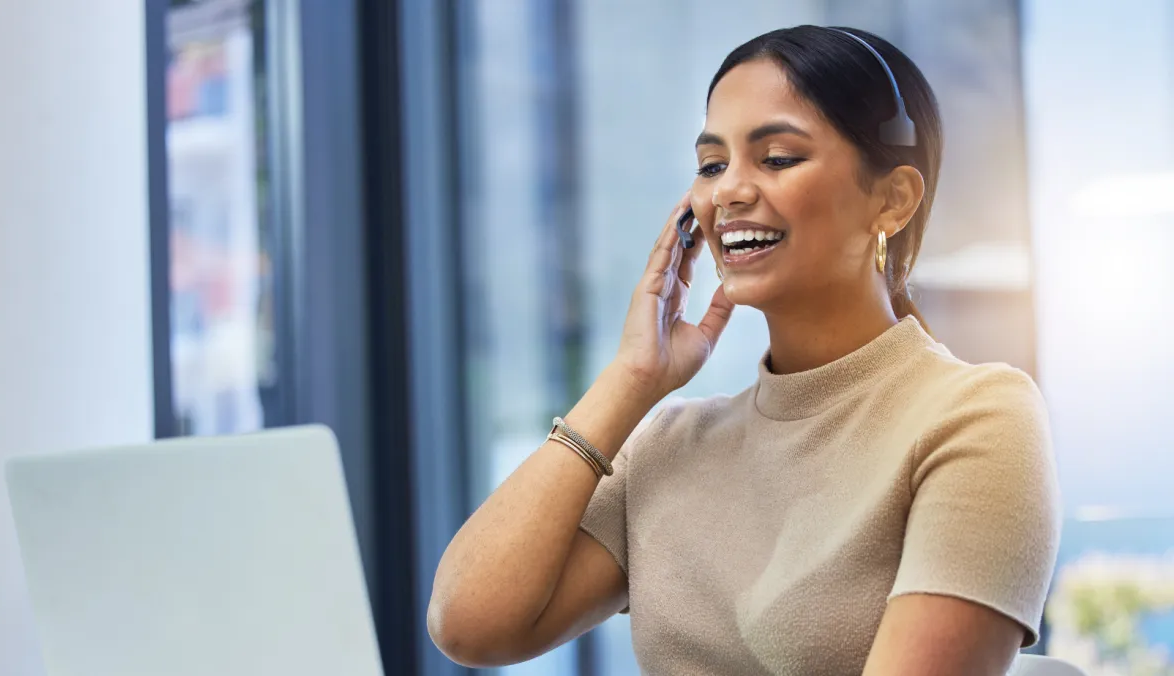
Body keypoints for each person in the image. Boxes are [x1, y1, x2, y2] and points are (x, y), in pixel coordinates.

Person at [427, 25, 1060, 675]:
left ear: (891, 199)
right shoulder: (673, 444)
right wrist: (631, 378)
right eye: (711, 164)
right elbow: (470, 626)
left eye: (777, 157)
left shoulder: (976, 416)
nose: (728, 191)